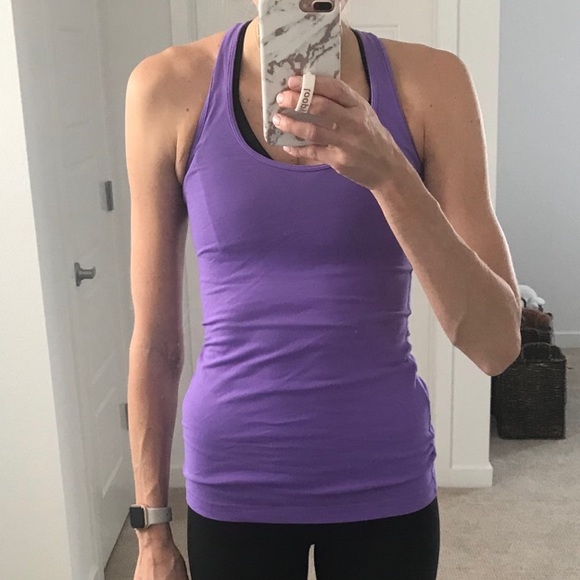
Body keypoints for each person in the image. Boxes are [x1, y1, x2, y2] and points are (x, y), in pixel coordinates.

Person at [125, 1, 522, 579]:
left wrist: (388, 171)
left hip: (384, 471)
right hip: (234, 475)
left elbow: (497, 344)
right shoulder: (167, 86)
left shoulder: (433, 83)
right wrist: (152, 531)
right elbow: (155, 341)